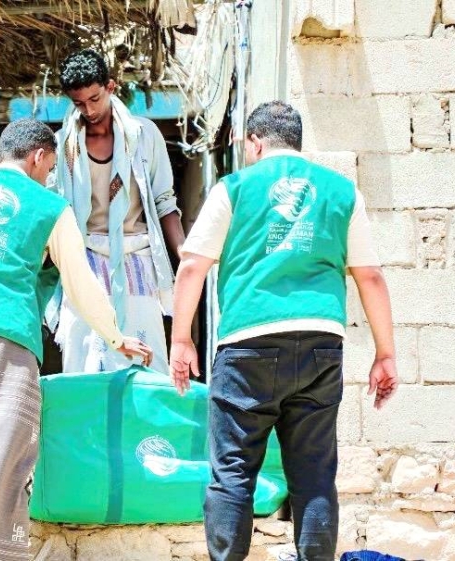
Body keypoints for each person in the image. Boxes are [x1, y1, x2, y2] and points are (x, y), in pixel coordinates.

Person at [0, 119, 152, 561]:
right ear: (39, 157)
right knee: (3, 454)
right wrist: (116, 338)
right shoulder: (48, 207)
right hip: (8, 339)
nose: (49, 176)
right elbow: (80, 283)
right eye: (51, 167)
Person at [168, 101, 399, 561]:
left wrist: (181, 340)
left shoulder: (233, 189)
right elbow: (370, 276)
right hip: (320, 343)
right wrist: (385, 352)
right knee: (314, 474)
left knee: (233, 472)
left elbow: (192, 266)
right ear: (295, 141)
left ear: (254, 143)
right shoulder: (342, 192)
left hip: (248, 344)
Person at [48, 49, 186, 376]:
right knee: (83, 365)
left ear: (110, 87)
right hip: (84, 258)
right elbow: (52, 211)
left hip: (137, 257)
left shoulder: (144, 135)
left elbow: (165, 202)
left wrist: (186, 256)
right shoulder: (63, 144)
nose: (89, 110)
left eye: (94, 99)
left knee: (146, 361)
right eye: (79, 103)